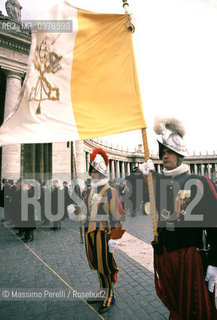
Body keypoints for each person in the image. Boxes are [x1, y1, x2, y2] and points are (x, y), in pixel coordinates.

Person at [139, 116, 217, 320]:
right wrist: (142, 176)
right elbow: (136, 197)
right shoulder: (157, 183)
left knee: (196, 309)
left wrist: (215, 262)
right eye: (163, 152)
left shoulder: (199, 181)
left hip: (190, 258)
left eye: (169, 152)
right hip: (166, 256)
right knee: (176, 308)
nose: (165, 156)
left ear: (180, 154)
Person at [83, 147, 126, 314]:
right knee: (96, 263)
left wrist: (115, 238)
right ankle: (102, 289)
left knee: (106, 265)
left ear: (101, 174)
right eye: (91, 172)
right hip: (90, 233)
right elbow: (86, 211)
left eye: (94, 172)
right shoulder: (88, 191)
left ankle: (110, 293)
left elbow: (118, 217)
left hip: (104, 233)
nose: (92, 175)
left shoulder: (111, 191)